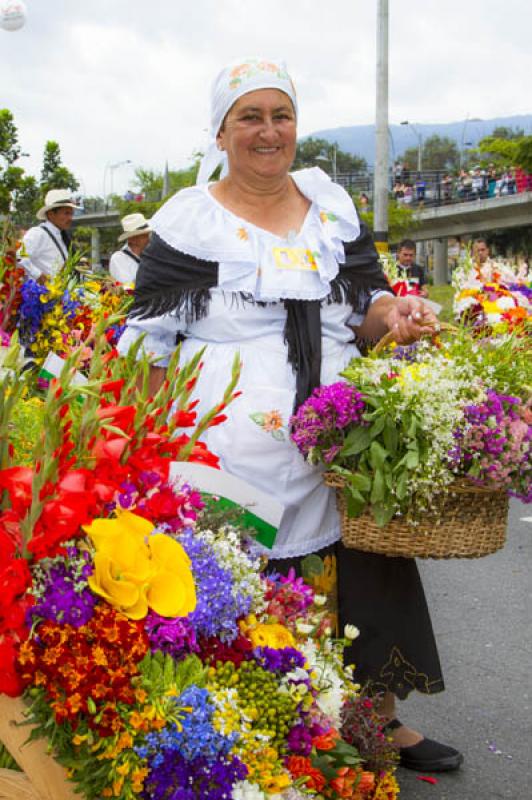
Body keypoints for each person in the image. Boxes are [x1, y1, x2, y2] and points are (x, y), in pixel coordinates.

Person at [117, 57, 462, 773]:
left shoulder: (331, 207)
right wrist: (147, 448)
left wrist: (393, 312)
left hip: (337, 443)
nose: (268, 131)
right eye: (250, 116)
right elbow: (148, 342)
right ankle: (262, 735)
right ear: (220, 131)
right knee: (237, 595)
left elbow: (363, 313)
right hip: (228, 455)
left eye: (281, 115)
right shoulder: (189, 222)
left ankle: (378, 722)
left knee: (368, 575)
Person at [20, 189, 80, 281]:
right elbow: (20, 257)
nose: (70, 218)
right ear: (51, 214)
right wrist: (38, 275)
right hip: (43, 293)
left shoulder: (62, 237)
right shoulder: (38, 233)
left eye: (71, 214)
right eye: (66, 213)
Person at [108, 213, 152, 285]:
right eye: (145, 235)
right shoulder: (118, 258)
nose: (149, 238)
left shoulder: (152, 253)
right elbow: (128, 287)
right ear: (133, 239)